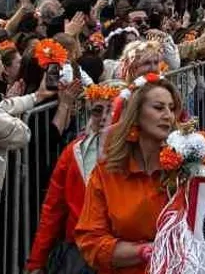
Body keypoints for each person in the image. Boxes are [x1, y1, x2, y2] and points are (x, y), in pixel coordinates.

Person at [77, 77, 183, 274]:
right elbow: (91, 241)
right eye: (159, 108)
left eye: (171, 108)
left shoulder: (186, 169)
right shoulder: (107, 171)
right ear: (136, 115)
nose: (168, 115)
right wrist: (144, 252)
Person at [26, 80, 123, 274]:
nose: (104, 117)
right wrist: (36, 261)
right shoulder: (73, 153)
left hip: (122, 252)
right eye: (97, 111)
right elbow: (53, 208)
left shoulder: (140, 152)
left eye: (111, 109)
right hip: (79, 253)